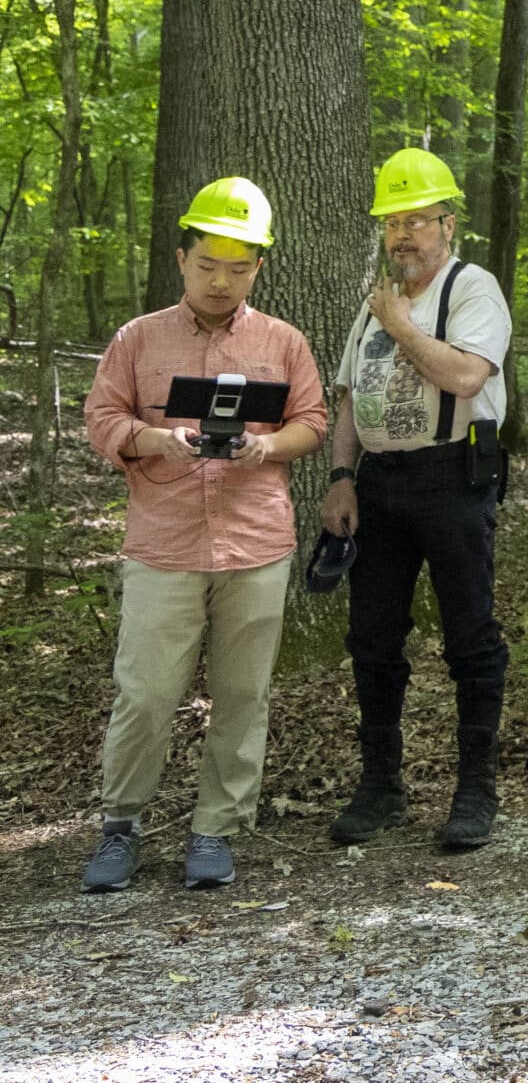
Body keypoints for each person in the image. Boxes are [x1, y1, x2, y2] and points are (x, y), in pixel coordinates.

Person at [78, 179, 327, 891]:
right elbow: (102, 418)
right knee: (147, 693)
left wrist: (268, 448)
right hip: (164, 545)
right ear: (182, 259)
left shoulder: (282, 340)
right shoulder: (138, 338)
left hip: (255, 544)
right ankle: (121, 824)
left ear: (258, 267)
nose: (222, 280)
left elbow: (309, 417)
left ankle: (216, 826)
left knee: (243, 692)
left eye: (239, 267)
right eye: (208, 264)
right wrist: (154, 436)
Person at [322, 149, 517, 852]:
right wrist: (341, 477)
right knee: (372, 639)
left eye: (416, 219)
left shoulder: (471, 290)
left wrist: (402, 324)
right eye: (391, 221)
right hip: (380, 485)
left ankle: (476, 790)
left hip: (454, 480)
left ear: (447, 224)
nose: (402, 234)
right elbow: (350, 396)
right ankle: (381, 786)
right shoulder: (373, 305)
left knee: (471, 637)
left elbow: (465, 375)